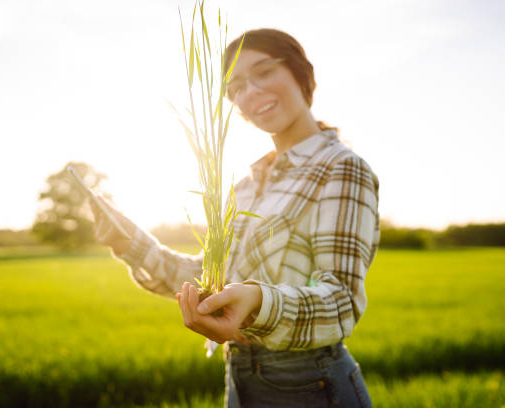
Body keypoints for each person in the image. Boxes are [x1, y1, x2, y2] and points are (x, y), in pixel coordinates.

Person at [91, 28, 379, 408]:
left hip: (311, 384)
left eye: (263, 72)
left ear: (301, 74)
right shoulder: (244, 187)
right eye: (236, 87)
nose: (250, 92)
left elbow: (340, 300)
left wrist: (259, 302)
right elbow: (215, 285)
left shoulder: (341, 169)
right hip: (240, 380)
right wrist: (130, 243)